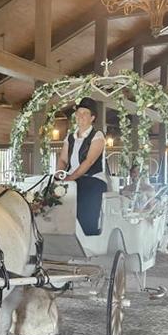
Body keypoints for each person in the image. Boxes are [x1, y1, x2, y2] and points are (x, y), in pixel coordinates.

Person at [55, 97, 111, 235]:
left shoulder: (97, 136)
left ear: (92, 118)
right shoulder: (70, 137)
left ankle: (87, 232)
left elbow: (89, 161)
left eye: (85, 113)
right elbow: (63, 159)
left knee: (84, 193)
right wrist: (59, 173)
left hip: (92, 178)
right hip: (73, 178)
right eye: (78, 112)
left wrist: (70, 178)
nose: (80, 116)